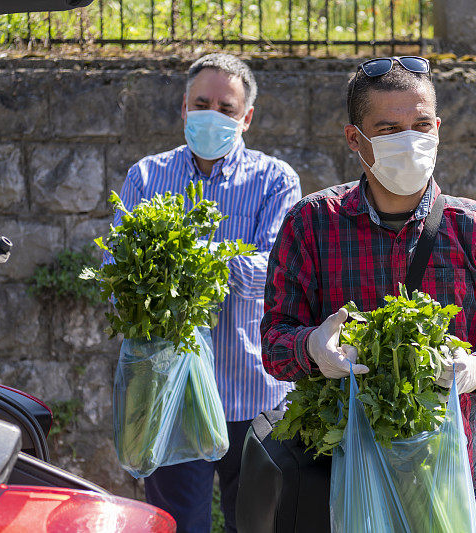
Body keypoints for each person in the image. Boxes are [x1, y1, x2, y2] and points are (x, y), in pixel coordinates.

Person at [260, 56, 476, 533]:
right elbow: (273, 344)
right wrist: (313, 349)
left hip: (460, 482)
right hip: (348, 486)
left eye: (420, 125)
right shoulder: (312, 224)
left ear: (438, 129)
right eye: (388, 129)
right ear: (355, 139)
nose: (409, 140)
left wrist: (474, 370)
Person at [112, 53, 302, 533]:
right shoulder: (147, 178)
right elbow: (119, 280)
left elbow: (274, 273)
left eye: (226, 107)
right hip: (170, 395)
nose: (213, 115)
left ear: (247, 117)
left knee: (259, 526)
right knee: (178, 525)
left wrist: (190, 260)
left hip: (253, 394)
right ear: (184, 108)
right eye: (203, 103)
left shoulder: (275, 181)